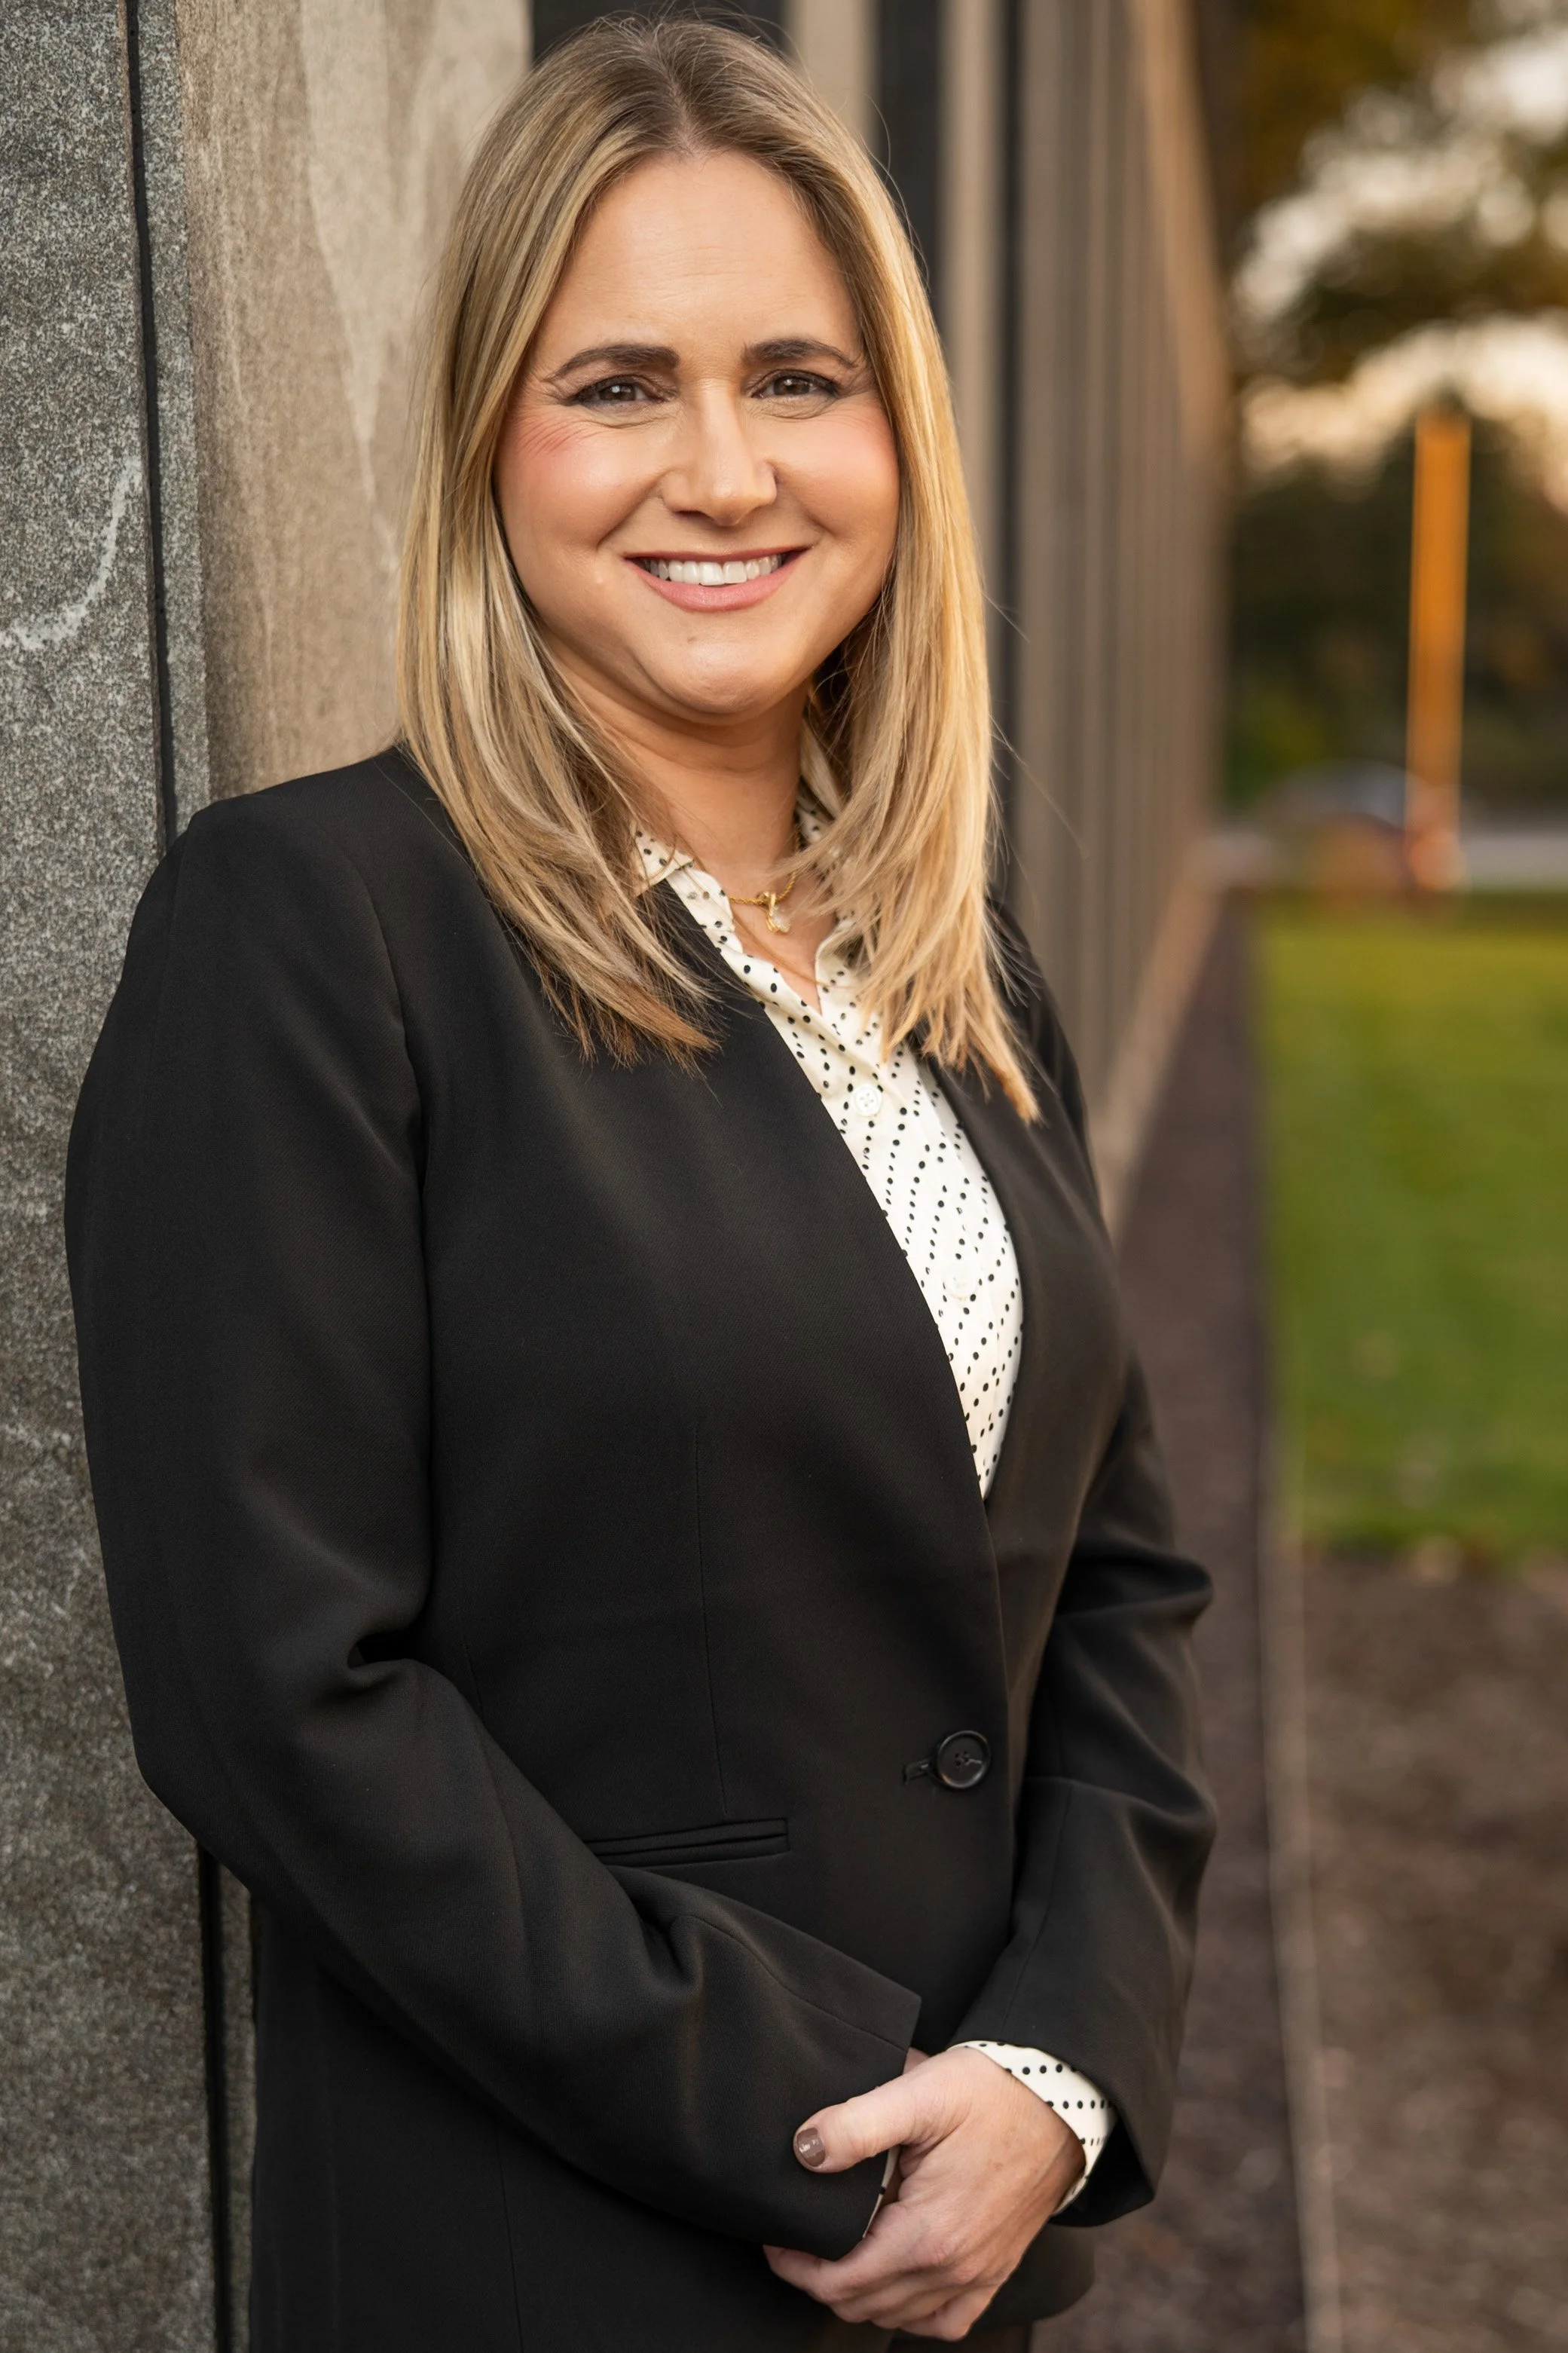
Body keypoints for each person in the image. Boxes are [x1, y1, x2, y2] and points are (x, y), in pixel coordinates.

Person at [66, 20, 1214, 2351]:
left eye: (799, 377)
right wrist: (844, 2099)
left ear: (900, 439)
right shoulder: (313, 927)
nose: (723, 470)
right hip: (555, 2249)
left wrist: (1061, 2073)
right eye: (617, 385)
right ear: (496, 442)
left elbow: (1117, 1575)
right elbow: (282, 1700)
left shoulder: (951, 944)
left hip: (969, 2241)